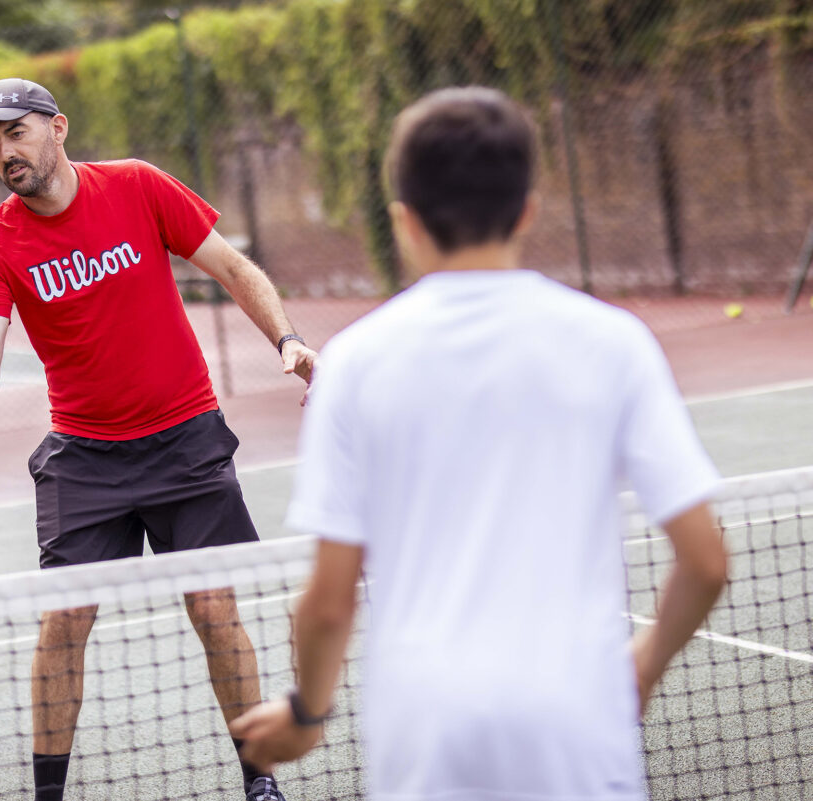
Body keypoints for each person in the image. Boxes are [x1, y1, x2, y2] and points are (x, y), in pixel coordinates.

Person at [229, 86, 729, 799]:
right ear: (528, 207)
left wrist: (308, 716)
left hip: (426, 732)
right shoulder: (614, 342)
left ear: (403, 222)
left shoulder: (356, 363)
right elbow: (705, 560)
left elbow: (328, 602)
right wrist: (638, 670)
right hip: (579, 725)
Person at [0, 78, 315, 801]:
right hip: (85, 457)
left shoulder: (139, 187)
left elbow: (233, 268)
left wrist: (289, 337)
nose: (4, 155)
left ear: (57, 128)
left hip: (186, 438)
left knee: (214, 607)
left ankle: (260, 782)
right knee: (64, 620)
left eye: (15, 134)